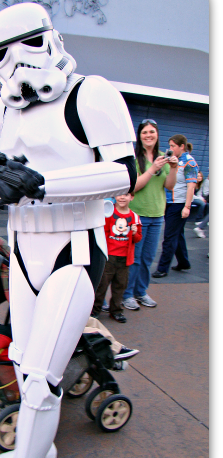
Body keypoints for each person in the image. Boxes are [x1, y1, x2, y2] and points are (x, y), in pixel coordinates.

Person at [0, 2, 138, 458]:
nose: (19, 62)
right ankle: (41, 448)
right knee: (25, 360)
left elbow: (121, 170)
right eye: (3, 53)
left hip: (76, 249)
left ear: (52, 39)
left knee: (41, 373)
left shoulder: (90, 94)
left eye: (30, 44)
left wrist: (42, 184)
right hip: (22, 250)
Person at [121, 120, 178, 310]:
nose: (148, 135)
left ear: (157, 134)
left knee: (147, 258)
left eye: (152, 132)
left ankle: (141, 292)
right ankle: (126, 294)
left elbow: (169, 186)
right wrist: (152, 169)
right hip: (137, 215)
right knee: (134, 258)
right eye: (144, 132)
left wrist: (175, 168)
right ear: (139, 136)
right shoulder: (134, 159)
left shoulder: (164, 157)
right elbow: (133, 186)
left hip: (157, 214)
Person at [92, 192, 142, 323]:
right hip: (109, 257)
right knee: (102, 286)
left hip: (124, 258)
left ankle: (116, 310)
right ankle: (95, 310)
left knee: (120, 286)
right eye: (119, 195)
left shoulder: (135, 217)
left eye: (126, 195)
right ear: (114, 196)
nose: (122, 197)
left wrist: (135, 233)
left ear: (132, 197)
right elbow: (103, 233)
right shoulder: (109, 213)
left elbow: (137, 239)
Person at [152, 135, 198, 277]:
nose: (170, 149)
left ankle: (162, 268)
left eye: (173, 146)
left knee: (170, 237)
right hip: (169, 202)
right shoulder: (174, 160)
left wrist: (187, 207)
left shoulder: (189, 162)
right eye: (170, 146)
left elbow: (191, 186)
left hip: (178, 204)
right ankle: (184, 262)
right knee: (177, 234)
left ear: (181, 146)